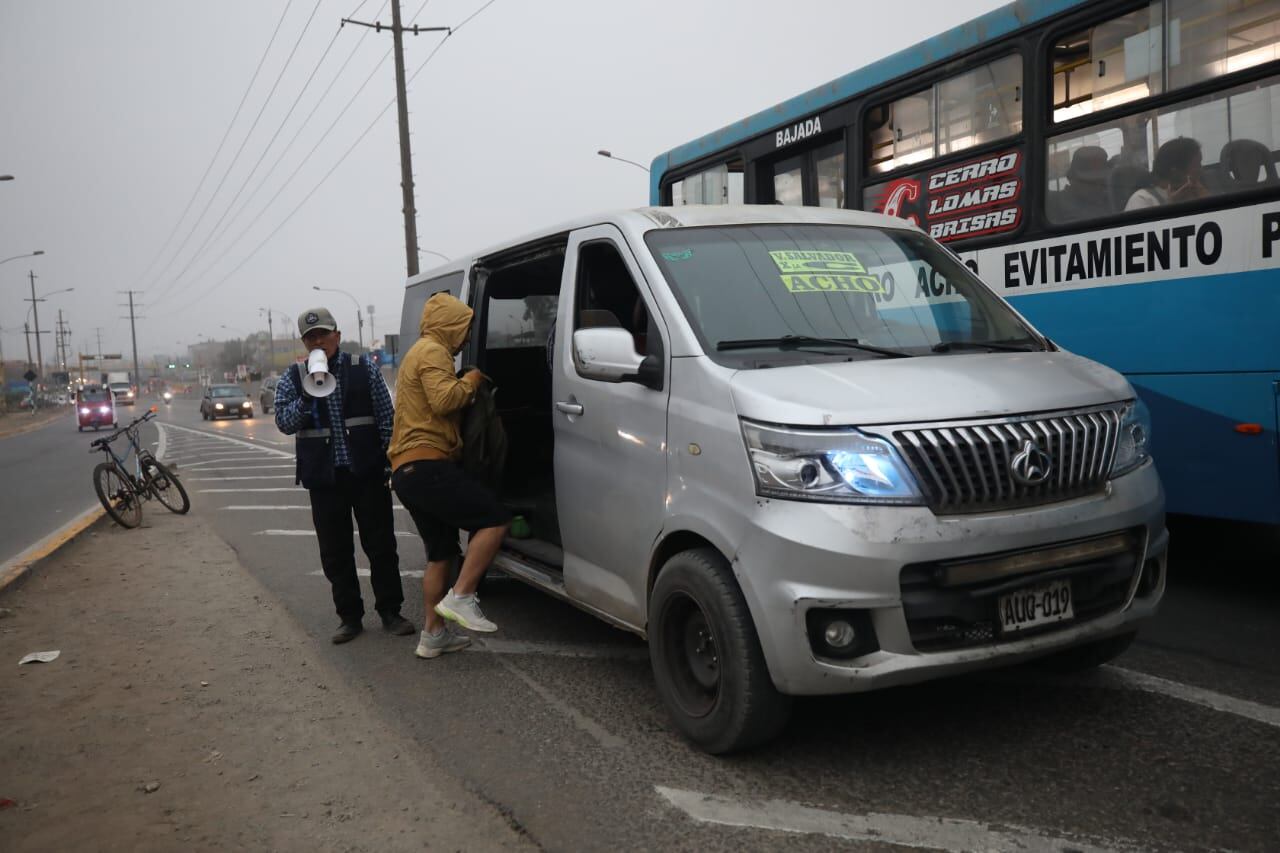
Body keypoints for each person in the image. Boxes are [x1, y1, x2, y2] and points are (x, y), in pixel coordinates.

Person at [274, 307, 413, 644]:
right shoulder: (293, 378)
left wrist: (388, 463)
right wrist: (308, 394)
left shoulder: (363, 368)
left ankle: (390, 611)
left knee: (380, 546)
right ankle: (349, 617)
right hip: (324, 480)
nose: (318, 341)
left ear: (337, 335)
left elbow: (386, 417)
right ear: (305, 343)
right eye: (311, 337)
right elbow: (284, 422)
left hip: (365, 474)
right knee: (335, 551)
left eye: (323, 334)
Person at [388, 292, 511, 659]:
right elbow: (444, 400)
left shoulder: (418, 353)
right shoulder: (432, 352)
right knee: (495, 518)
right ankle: (462, 597)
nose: (467, 336)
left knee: (441, 553)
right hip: (427, 466)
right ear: (450, 325)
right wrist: (472, 380)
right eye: (464, 326)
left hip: (407, 471)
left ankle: (433, 635)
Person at [1126, 137, 1209, 211]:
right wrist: (1171, 207)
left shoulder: (1196, 193)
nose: (1201, 170)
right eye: (1197, 165)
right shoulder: (1142, 200)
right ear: (1176, 172)